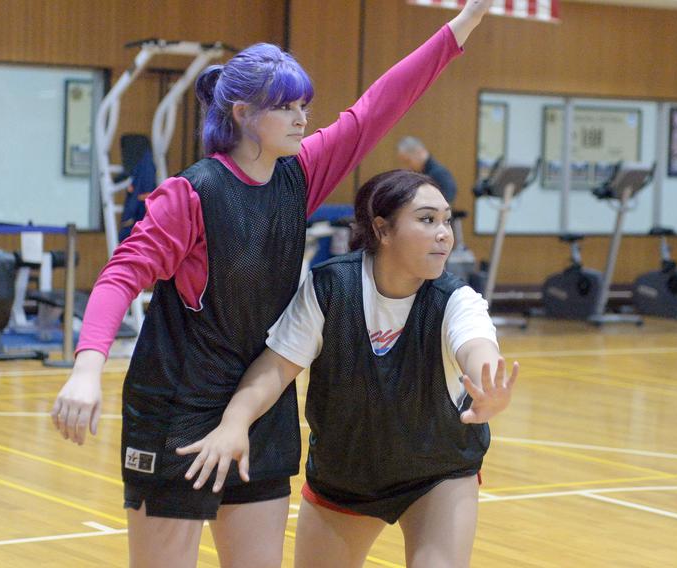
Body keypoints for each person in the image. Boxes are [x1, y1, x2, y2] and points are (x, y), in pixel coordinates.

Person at [51, 2, 495, 567]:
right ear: (241, 114)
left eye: (302, 104)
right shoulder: (190, 195)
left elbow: (380, 104)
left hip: (260, 406)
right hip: (176, 407)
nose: (301, 116)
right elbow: (119, 277)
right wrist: (87, 370)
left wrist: (464, 24)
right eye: (285, 106)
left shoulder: (300, 174)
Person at [180, 169, 517, 567]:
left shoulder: (456, 299)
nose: (444, 233)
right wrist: (234, 422)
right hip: (345, 476)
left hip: (437, 470)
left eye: (446, 220)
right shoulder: (329, 287)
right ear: (383, 229)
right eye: (427, 220)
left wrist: (487, 387)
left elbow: (477, 347)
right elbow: (275, 368)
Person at [397, 136, 458, 204]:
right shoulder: (421, 172)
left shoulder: (439, 174)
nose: (406, 166)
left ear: (419, 152)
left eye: (408, 161)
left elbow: (447, 199)